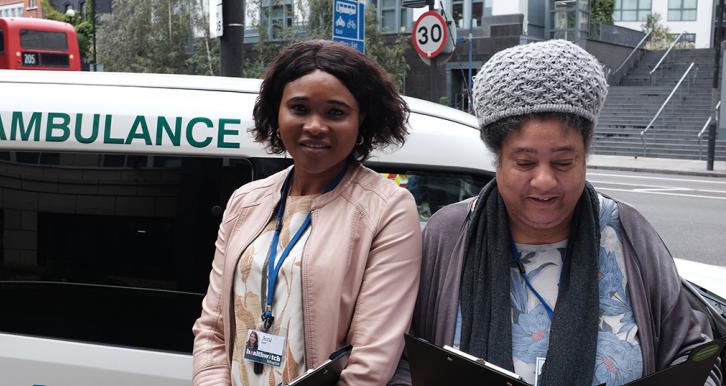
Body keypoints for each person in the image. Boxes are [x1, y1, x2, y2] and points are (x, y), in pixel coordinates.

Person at [390, 39, 722, 386]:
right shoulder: (450, 233)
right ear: (498, 159)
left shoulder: (628, 232)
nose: (545, 181)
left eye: (564, 162)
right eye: (525, 162)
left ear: (585, 156)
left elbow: (691, 351)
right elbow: (402, 358)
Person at [192, 40, 422, 386]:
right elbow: (212, 327)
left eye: (335, 112)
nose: (315, 126)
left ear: (362, 120)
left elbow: (371, 361)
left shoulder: (387, 209)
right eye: (299, 108)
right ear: (277, 113)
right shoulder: (245, 201)